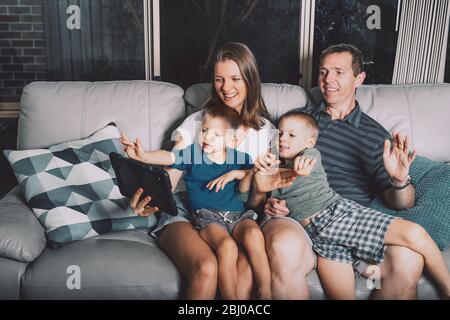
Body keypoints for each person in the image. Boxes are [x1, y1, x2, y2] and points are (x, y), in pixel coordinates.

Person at [249, 43, 426, 299]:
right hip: (299, 219)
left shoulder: (376, 135)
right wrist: (271, 202)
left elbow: (400, 202)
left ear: (359, 78)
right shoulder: (297, 123)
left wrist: (399, 181)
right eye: (323, 72)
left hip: (350, 222)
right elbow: (267, 174)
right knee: (282, 247)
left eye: (339, 72)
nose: (328, 79)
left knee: (408, 260)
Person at [122, 42, 278, 299]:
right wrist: (153, 199)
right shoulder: (197, 122)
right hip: (186, 208)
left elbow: (257, 200)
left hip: (234, 211)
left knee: (244, 272)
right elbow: (172, 172)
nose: (226, 88)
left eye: (235, 78)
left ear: (251, 79)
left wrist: (250, 179)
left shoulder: (266, 134)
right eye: (219, 79)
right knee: (206, 268)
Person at [252, 111, 450, 300]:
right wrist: (273, 204)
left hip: (336, 215)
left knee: (413, 233)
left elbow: (304, 165)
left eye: (291, 135)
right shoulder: (277, 162)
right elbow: (263, 197)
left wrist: (399, 180)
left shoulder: (310, 154)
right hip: (317, 237)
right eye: (281, 133)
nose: (282, 138)